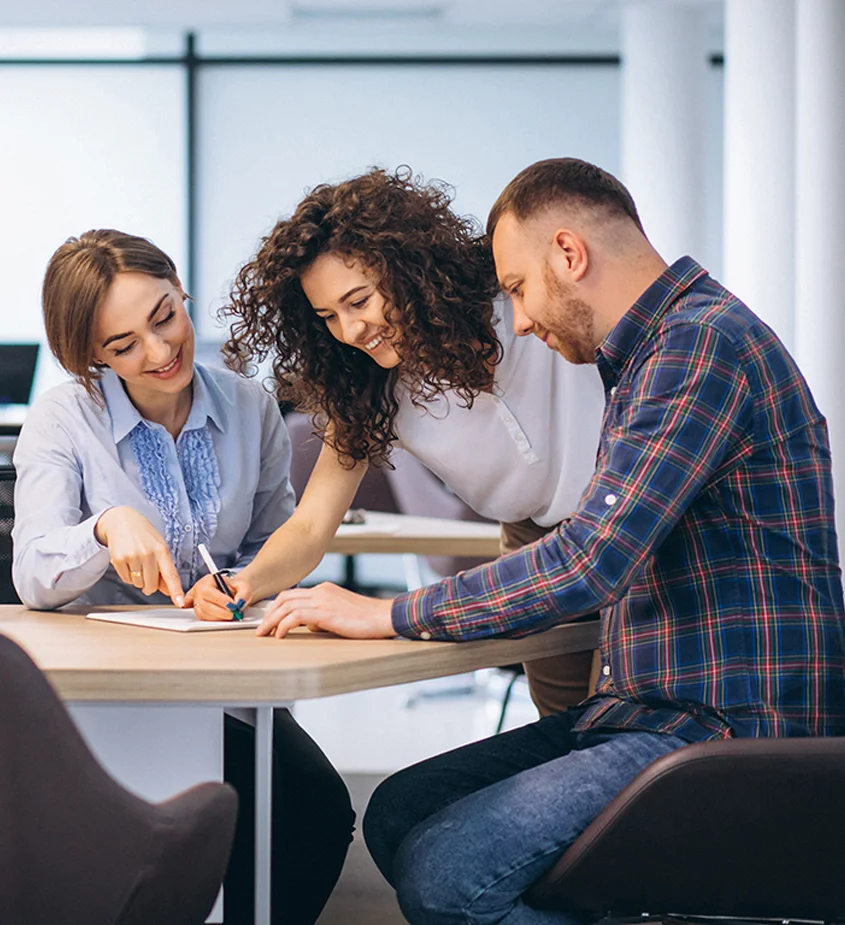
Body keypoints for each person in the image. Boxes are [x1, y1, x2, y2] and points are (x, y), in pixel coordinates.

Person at [252, 158, 845, 925]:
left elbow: (590, 558)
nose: (520, 320)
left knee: (447, 874)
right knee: (401, 811)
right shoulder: (646, 355)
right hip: (646, 704)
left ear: (569, 254)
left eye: (520, 290)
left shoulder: (698, 348)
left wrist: (389, 612)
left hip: (722, 721)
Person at [11, 229, 354, 925]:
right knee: (228, 817)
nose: (161, 351)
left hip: (222, 680)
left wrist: (240, 582)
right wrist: (106, 525)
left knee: (313, 810)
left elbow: (273, 543)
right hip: (103, 695)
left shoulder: (249, 406)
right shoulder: (61, 419)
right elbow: (34, 575)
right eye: (123, 345)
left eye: (165, 316)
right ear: (89, 357)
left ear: (180, 288)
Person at [205, 166, 606, 715]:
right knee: (568, 735)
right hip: (532, 546)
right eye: (328, 317)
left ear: (406, 270)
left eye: (359, 301)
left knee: (638, 730)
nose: (349, 331)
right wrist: (242, 583)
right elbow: (309, 524)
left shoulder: (516, 302)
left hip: (627, 519)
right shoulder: (370, 389)